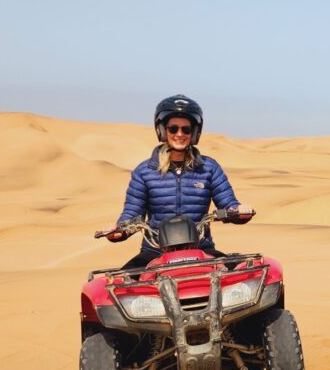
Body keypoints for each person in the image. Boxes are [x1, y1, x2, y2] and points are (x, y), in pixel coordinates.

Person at [105, 94, 253, 268]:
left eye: (186, 129)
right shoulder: (144, 172)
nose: (180, 134)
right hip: (155, 252)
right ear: (162, 130)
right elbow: (132, 214)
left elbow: (228, 204)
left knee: (247, 275)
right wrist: (119, 230)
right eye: (173, 128)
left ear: (194, 132)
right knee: (118, 288)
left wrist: (239, 211)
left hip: (201, 248)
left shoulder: (209, 168)